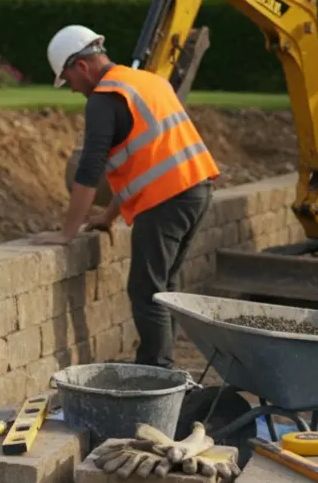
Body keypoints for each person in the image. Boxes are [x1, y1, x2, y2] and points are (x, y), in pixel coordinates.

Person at [35, 25, 220, 369]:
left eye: (68, 79)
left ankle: (155, 373)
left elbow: (90, 169)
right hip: (196, 190)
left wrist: (67, 232)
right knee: (165, 286)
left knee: (146, 291)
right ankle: (162, 368)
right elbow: (145, 159)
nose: (72, 88)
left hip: (167, 199)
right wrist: (108, 216)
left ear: (82, 67)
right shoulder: (146, 81)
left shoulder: (105, 99)